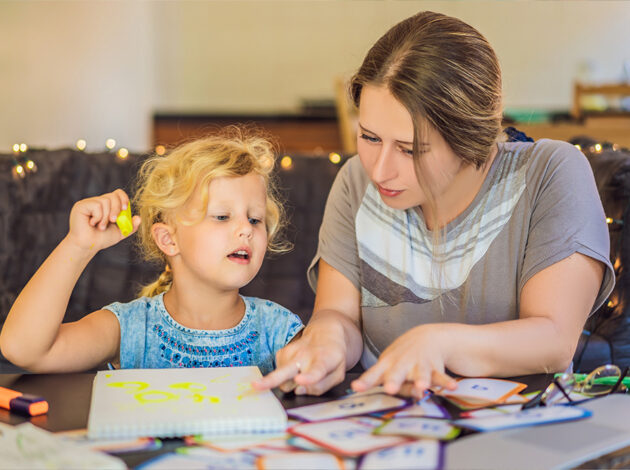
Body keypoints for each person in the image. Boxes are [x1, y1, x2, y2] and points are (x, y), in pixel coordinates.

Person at [254, 11, 614, 397]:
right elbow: (338, 315)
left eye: (410, 149)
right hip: (384, 430)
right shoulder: (356, 181)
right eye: (370, 137)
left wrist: (439, 343)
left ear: (468, 137)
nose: (379, 170)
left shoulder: (549, 173)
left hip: (519, 430)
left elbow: (554, 341)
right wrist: (326, 342)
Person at [0, 131, 303, 374]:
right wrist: (77, 246)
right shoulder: (131, 329)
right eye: (222, 216)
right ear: (169, 240)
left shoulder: (277, 329)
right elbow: (22, 349)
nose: (246, 230)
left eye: (255, 219)